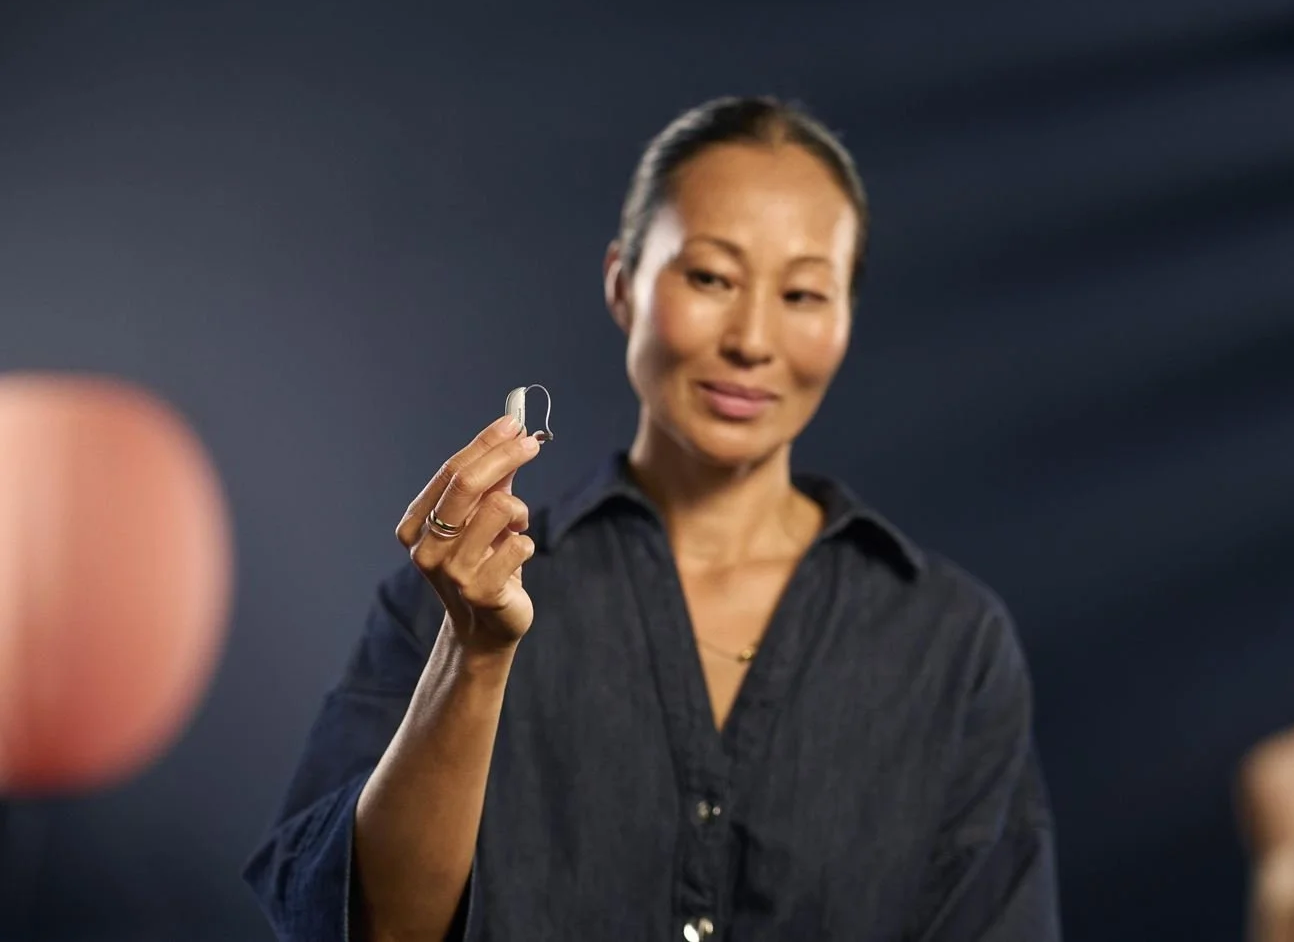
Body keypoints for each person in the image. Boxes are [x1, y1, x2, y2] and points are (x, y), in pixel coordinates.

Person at [243, 96, 1061, 941]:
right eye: (710, 276)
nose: (752, 338)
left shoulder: (948, 643)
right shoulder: (453, 598)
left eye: (804, 293)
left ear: (847, 318)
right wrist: (475, 659)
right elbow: (356, 928)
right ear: (622, 284)